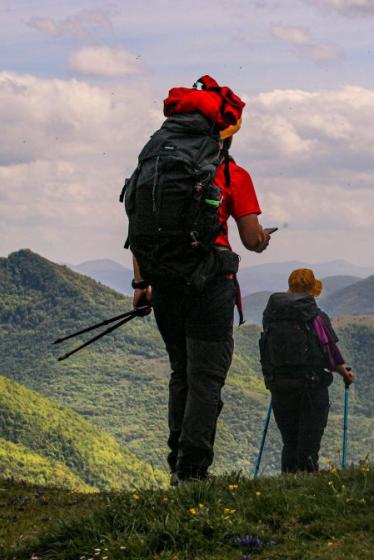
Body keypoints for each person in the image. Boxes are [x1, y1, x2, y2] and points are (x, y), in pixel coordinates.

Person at [128, 76, 272, 483]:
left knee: (181, 373)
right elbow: (250, 238)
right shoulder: (231, 174)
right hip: (210, 284)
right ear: (224, 133)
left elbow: (140, 228)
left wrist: (142, 286)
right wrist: (262, 241)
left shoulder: (152, 169)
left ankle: (177, 464)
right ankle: (192, 472)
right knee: (206, 379)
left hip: (164, 281)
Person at [259, 269, 355, 473]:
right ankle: (306, 490)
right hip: (311, 386)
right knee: (308, 446)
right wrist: (344, 372)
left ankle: (287, 487)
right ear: (312, 289)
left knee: (289, 442)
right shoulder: (316, 317)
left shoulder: (272, 315)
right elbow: (330, 353)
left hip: (280, 385)